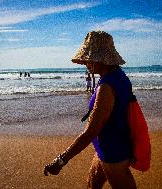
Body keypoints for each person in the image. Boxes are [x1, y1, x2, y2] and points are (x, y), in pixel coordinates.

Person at [44, 31, 137, 189]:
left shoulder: (107, 86)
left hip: (113, 153)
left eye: (88, 58)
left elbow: (90, 131)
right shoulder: (117, 76)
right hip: (107, 146)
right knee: (92, 184)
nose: (86, 62)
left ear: (99, 58)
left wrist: (61, 160)